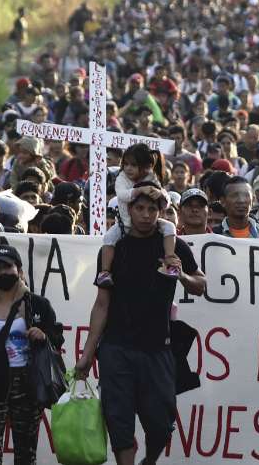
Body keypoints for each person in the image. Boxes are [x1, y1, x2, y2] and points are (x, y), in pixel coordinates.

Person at [73, 185, 206, 465]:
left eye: (152, 209)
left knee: (161, 424)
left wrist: (181, 275)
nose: (146, 215)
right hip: (116, 349)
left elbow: (200, 285)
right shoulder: (114, 249)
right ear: (129, 210)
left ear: (160, 213)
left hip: (158, 349)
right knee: (120, 426)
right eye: (140, 209)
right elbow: (101, 304)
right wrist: (87, 354)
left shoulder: (174, 245)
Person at [0, 245, 63, 465]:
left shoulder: (37, 304)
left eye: (7, 266)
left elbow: (56, 335)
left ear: (20, 270)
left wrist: (43, 335)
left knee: (26, 452)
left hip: (28, 383)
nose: (2, 272)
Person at [97, 144, 179, 287]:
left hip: (150, 225)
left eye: (133, 165)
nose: (128, 168)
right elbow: (123, 195)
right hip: (125, 224)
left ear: (147, 167)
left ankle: (170, 261)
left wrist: (160, 194)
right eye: (126, 164)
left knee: (170, 227)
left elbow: (164, 203)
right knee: (109, 237)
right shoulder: (122, 178)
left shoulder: (152, 177)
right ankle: (104, 272)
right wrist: (140, 190)